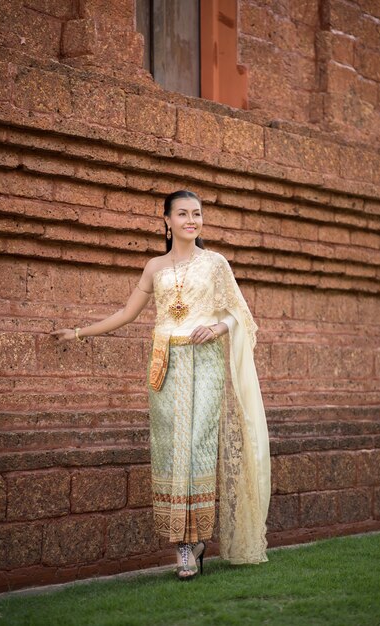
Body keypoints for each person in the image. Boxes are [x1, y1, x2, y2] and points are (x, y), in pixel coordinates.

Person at [50, 189, 271, 581]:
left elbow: (241, 315)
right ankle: (183, 546)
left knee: (196, 445)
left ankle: (196, 538)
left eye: (197, 214)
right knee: (171, 449)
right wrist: (80, 332)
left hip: (203, 362)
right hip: (165, 366)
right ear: (166, 221)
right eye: (183, 214)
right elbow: (127, 313)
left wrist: (217, 326)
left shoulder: (215, 264)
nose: (191, 220)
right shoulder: (154, 267)